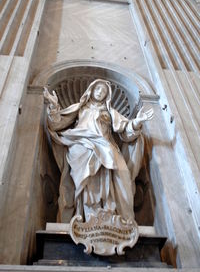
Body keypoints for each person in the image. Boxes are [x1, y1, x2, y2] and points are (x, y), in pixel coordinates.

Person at [44, 79, 153, 223]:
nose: (100, 92)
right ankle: (85, 216)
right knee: (87, 180)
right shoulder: (81, 108)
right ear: (91, 90)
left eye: (104, 91)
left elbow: (126, 133)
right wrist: (53, 106)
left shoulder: (110, 112)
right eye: (98, 89)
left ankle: (112, 215)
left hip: (105, 147)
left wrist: (137, 122)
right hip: (82, 145)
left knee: (122, 174)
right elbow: (57, 123)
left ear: (107, 96)